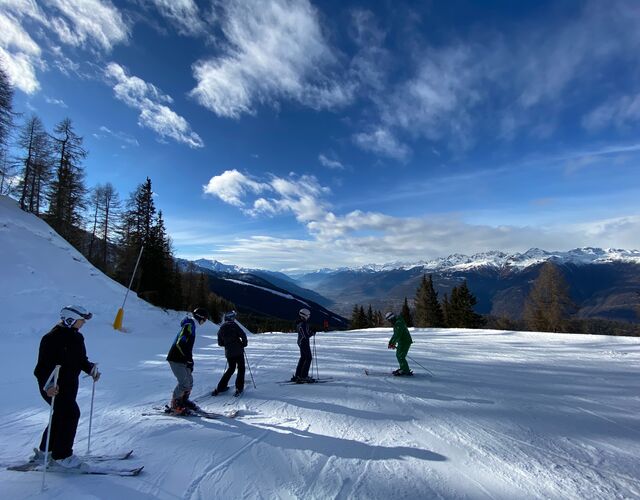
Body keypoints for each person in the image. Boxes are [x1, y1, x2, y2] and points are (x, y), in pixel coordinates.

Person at [33, 305, 101, 468]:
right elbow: (41, 368)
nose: (84, 323)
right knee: (70, 413)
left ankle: (46, 451)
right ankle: (62, 456)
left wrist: (90, 369)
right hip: (53, 387)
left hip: (70, 385)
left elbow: (80, 359)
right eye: (81, 320)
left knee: (61, 414)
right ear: (70, 320)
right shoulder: (50, 338)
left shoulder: (77, 337)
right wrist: (48, 386)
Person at [166, 307, 209, 414]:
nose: (204, 322)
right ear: (200, 317)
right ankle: (175, 404)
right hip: (176, 358)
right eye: (205, 319)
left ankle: (183, 401)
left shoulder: (192, 325)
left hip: (183, 359)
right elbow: (180, 343)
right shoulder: (189, 325)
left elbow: (187, 346)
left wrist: (189, 360)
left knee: (189, 381)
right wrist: (188, 359)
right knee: (184, 383)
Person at [212, 311, 248, 397]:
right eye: (234, 317)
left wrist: (227, 344)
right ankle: (239, 388)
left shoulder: (221, 328)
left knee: (231, 369)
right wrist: (244, 344)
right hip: (238, 351)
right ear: (231, 318)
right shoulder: (234, 326)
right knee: (241, 368)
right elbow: (243, 335)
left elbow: (220, 343)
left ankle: (221, 387)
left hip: (229, 353)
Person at [291, 308, 316, 383]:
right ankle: (304, 376)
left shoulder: (301, 323)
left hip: (301, 342)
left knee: (303, 358)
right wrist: (312, 333)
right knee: (308, 358)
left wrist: (310, 331)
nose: (309, 316)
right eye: (308, 315)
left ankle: (298, 375)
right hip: (303, 343)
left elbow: (305, 333)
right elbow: (306, 335)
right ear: (305, 315)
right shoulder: (302, 324)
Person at [385, 311, 413, 376]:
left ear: (391, 318)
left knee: (401, 356)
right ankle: (403, 368)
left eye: (389, 320)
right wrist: (390, 342)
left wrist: (393, 343)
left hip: (405, 341)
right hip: (402, 341)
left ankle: (405, 370)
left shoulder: (399, 323)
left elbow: (398, 335)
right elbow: (395, 334)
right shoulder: (397, 322)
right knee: (399, 355)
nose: (389, 322)